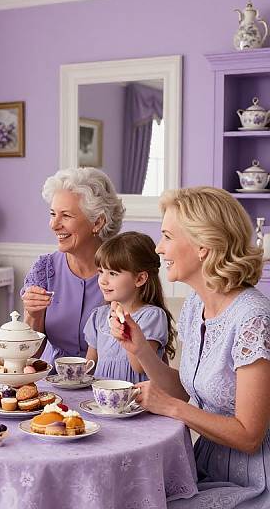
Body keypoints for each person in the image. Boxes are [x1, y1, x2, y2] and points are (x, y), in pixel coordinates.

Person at [109, 187, 270, 508]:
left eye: (167, 236)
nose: (158, 247)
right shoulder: (197, 304)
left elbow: (249, 437)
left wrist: (170, 407)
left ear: (204, 247)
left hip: (255, 481)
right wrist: (140, 348)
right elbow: (187, 390)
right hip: (204, 465)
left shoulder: (253, 317)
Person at [21, 167, 125, 366]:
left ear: (98, 222)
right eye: (53, 214)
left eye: (66, 216)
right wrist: (33, 315)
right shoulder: (44, 269)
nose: (54, 224)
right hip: (54, 381)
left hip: (107, 385)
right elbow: (29, 355)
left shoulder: (125, 272)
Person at [84, 231, 175, 383]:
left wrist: (125, 330)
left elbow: (140, 367)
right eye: (101, 271)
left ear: (140, 279)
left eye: (112, 273)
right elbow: (89, 366)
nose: (102, 280)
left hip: (138, 402)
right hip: (103, 402)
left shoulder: (152, 316)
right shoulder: (98, 316)